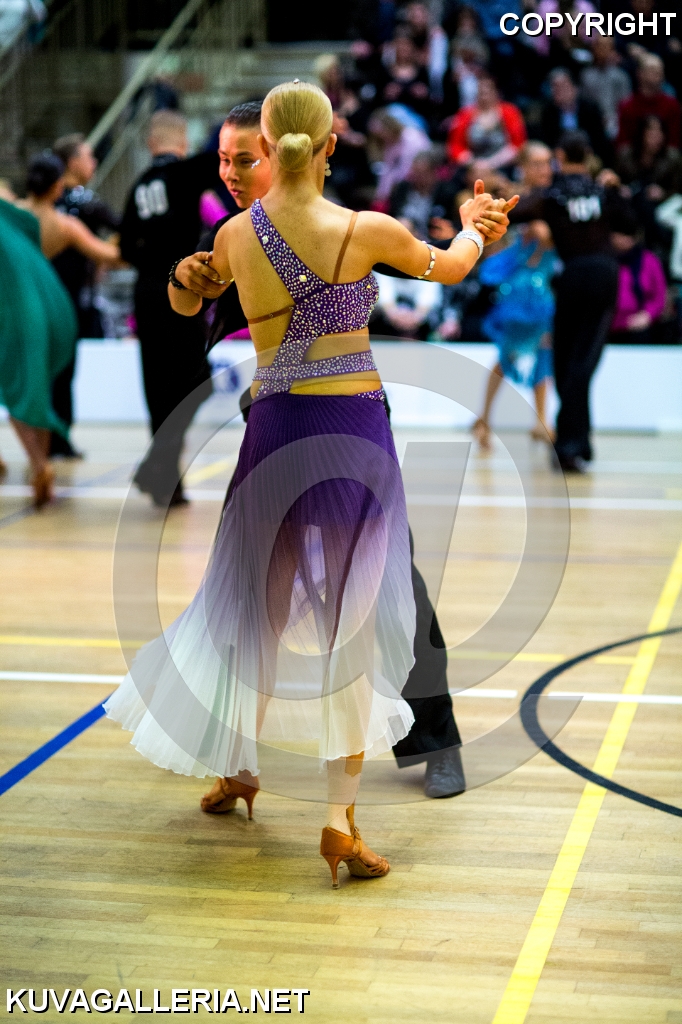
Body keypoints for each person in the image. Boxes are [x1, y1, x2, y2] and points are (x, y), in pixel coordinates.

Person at [105, 80, 516, 886]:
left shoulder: (234, 236)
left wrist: (186, 279)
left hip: (273, 430)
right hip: (352, 435)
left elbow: (183, 300)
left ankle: (241, 769)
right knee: (351, 630)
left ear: (267, 147)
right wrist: (475, 225)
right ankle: (338, 822)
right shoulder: (365, 229)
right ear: (330, 145)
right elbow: (453, 266)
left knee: (255, 610)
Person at [171, 101, 469, 800]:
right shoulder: (237, 231)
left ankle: (435, 740)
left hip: (347, 417)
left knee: (390, 585)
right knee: (257, 591)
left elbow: (432, 268)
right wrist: (183, 278)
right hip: (274, 416)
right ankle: (240, 759)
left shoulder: (339, 226)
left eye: (244, 159)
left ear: (282, 150)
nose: (230, 173)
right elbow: (187, 305)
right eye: (222, 160)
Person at [119, 110, 221, 507]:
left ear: (150, 144)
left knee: (159, 387)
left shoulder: (139, 184)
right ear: (182, 142)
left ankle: (166, 482)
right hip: (179, 286)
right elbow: (220, 155)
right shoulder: (186, 172)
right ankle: (155, 465)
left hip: (145, 291)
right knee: (198, 381)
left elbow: (126, 247)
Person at [509, 130, 622, 473]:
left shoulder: (551, 195)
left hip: (570, 278)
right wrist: (615, 191)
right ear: (587, 156)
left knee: (567, 363)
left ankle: (571, 445)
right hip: (600, 276)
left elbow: (515, 213)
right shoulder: (601, 190)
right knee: (579, 363)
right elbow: (630, 224)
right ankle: (575, 444)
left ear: (559, 157)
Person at [0, 177, 77, 505]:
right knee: (35, 390)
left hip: (12, 313)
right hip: (45, 306)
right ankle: (39, 464)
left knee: (19, 393)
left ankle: (39, 464)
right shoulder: (25, 214)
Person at [49, 132, 121, 459]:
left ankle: (51, 437)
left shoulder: (45, 202)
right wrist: (105, 254)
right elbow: (122, 227)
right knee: (63, 370)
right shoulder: (83, 202)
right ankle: (59, 437)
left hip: (45, 296)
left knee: (51, 370)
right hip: (68, 300)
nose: (93, 162)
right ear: (72, 162)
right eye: (88, 156)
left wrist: (95, 257)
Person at [472, 220, 559, 450]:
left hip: (540, 314)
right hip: (513, 313)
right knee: (504, 362)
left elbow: (549, 240)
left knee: (543, 360)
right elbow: (490, 270)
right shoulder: (514, 248)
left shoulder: (549, 249)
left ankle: (542, 420)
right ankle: (485, 418)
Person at [608, 207, 667, 345]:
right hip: (606, 328)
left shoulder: (648, 260)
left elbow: (659, 296)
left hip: (638, 328)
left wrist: (648, 315)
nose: (627, 240)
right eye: (622, 234)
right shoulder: (602, 261)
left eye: (631, 235)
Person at [446, 74, 527, 172]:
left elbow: (518, 144)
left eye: (488, 92)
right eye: (481, 92)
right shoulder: (464, 114)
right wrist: (473, 162)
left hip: (504, 165)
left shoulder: (510, 112)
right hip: (473, 166)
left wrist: (492, 163)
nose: (484, 96)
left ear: (496, 92)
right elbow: (455, 146)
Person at [539, 68, 612, 167]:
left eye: (563, 86)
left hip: (588, 154)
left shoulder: (590, 108)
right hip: (559, 158)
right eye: (554, 86)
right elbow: (547, 140)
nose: (558, 91)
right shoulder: (548, 112)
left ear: (574, 88)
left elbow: (599, 138)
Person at [367, 108, 431, 208]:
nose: (382, 138)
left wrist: (390, 189)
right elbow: (387, 171)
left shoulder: (412, 137)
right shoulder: (388, 144)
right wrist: (381, 196)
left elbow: (411, 167)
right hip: (401, 186)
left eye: (383, 133)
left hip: (419, 180)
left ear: (391, 127)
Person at [617, 54, 681, 153]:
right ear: (640, 73)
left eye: (660, 70)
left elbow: (674, 142)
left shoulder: (672, 105)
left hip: (665, 157)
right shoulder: (627, 105)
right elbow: (623, 142)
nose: (657, 73)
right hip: (634, 157)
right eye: (652, 69)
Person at [580, 35, 632, 143]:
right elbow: (583, 104)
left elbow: (626, 105)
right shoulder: (585, 76)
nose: (603, 50)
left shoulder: (621, 76)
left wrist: (613, 119)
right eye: (600, 46)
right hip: (593, 123)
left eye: (607, 46)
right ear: (593, 48)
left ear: (612, 50)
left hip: (617, 122)